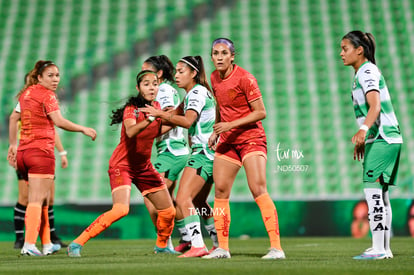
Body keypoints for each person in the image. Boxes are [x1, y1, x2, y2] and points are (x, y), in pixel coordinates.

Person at [67, 70, 176, 257]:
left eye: (155, 83)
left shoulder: (156, 107)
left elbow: (155, 131)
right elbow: (131, 131)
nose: (152, 87)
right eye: (147, 84)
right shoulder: (132, 108)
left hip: (143, 167)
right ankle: (76, 243)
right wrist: (153, 117)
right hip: (122, 165)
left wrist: (174, 118)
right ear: (138, 87)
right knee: (121, 209)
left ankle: (162, 245)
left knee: (168, 211)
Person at [203, 38, 285, 259]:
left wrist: (229, 125)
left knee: (257, 188)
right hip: (228, 141)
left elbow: (261, 112)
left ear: (232, 56)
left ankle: (276, 248)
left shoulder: (246, 79)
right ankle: (222, 248)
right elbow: (221, 106)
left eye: (223, 53)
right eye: (215, 53)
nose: (219, 57)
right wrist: (216, 132)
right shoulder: (213, 78)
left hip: (251, 138)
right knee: (220, 191)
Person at [7, 60, 97, 256]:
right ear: (39, 77)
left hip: (23, 153)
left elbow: (14, 118)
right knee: (36, 201)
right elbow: (58, 121)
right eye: (50, 75)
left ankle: (47, 244)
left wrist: (13, 144)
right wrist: (83, 128)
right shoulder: (47, 95)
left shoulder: (26, 94)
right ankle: (29, 244)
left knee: (44, 201)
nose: (55, 79)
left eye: (57, 75)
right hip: (41, 153)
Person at [142, 56, 218, 257]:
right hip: (206, 153)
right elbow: (174, 114)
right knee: (199, 202)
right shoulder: (195, 93)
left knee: (181, 199)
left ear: (193, 73)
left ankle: (195, 243)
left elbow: (186, 121)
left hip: (198, 153)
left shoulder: (193, 93)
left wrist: (159, 116)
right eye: (175, 71)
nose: (176, 75)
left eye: (181, 71)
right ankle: (217, 244)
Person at [340, 31, 403, 260]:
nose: (341, 53)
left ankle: (378, 248)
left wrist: (363, 130)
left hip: (383, 138)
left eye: (345, 48)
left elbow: (375, 106)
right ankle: (384, 249)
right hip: (387, 138)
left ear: (359, 50)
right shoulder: (364, 72)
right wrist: (365, 139)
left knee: (372, 191)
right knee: (382, 195)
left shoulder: (367, 71)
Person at [141, 55, 189, 251]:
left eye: (146, 70)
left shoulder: (165, 90)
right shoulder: (157, 91)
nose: (142, 73)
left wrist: (149, 134)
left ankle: (165, 241)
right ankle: (187, 237)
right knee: (167, 199)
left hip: (172, 150)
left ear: (159, 74)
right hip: (170, 151)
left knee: (151, 194)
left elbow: (171, 116)